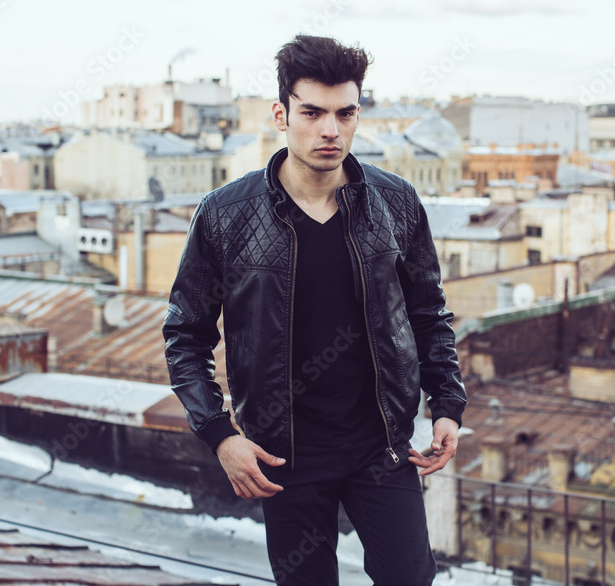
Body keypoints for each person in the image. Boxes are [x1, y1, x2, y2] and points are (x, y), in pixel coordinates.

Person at [163, 34, 466, 585]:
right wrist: (221, 435)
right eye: (312, 112)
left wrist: (447, 404)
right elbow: (186, 335)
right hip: (284, 457)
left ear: (357, 114)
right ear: (281, 114)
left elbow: (428, 313)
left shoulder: (395, 202)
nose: (330, 130)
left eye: (344, 113)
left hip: (382, 444)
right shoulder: (225, 215)